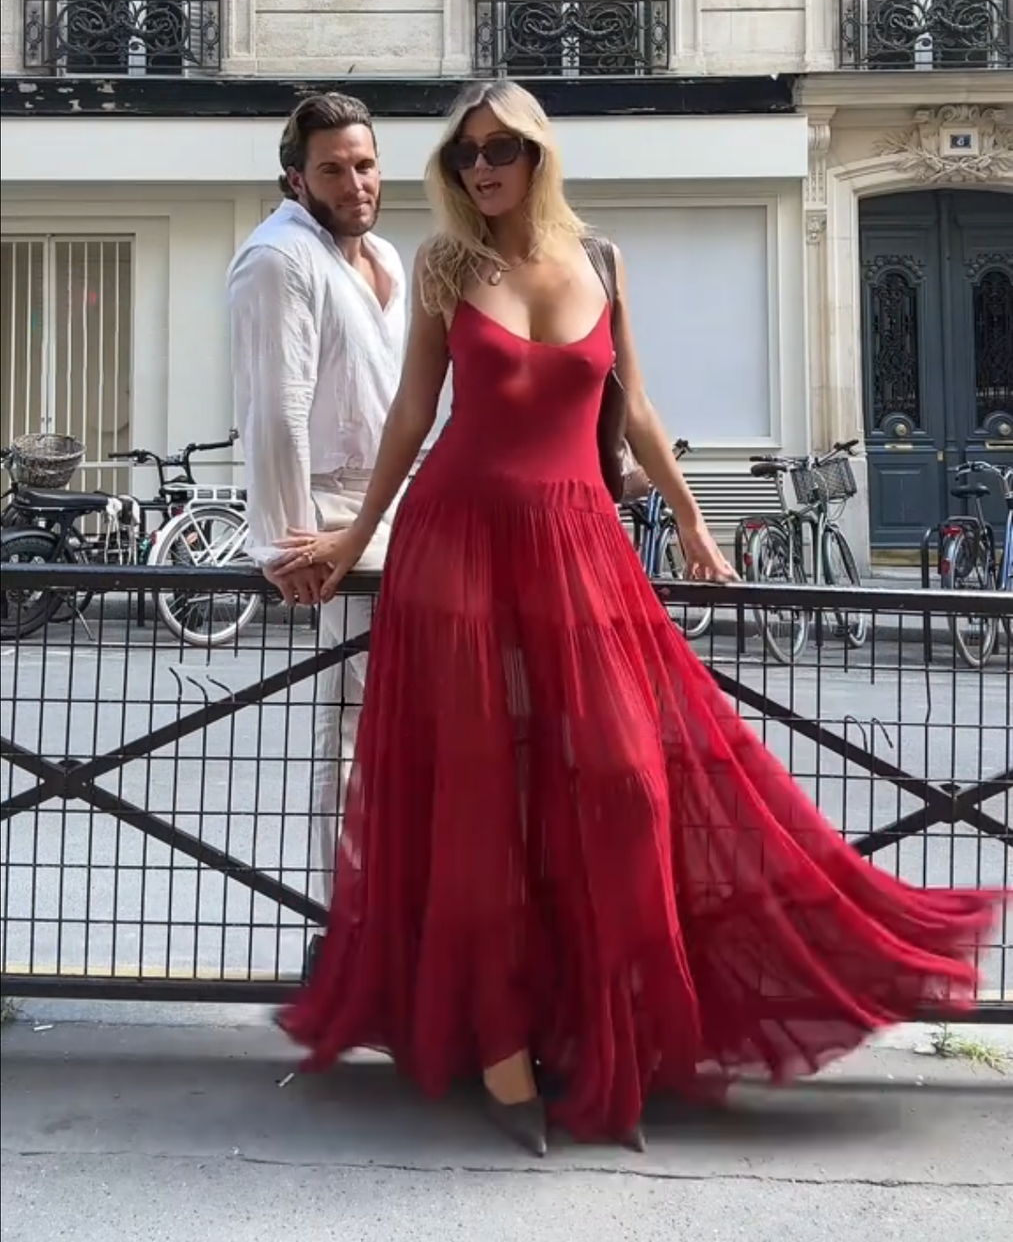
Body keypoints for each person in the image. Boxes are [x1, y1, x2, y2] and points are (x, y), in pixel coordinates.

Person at [272, 80, 1002, 1156]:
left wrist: (695, 524)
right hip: (456, 541)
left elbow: (639, 409)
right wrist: (350, 539)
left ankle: (607, 1032)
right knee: (478, 801)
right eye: (466, 152)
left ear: (538, 155)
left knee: (622, 780)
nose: (482, 167)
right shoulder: (443, 266)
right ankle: (501, 1054)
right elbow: (412, 417)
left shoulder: (602, 262)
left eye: (502, 149)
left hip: (579, 542)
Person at [226, 92, 406, 931]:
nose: (354, 183)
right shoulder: (278, 257)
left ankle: (396, 915)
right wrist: (284, 542)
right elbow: (275, 404)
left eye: (364, 165)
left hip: (396, 514)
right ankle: (341, 930)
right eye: (332, 169)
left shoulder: (387, 258)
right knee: (346, 732)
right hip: (330, 519)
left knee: (403, 730)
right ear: (296, 179)